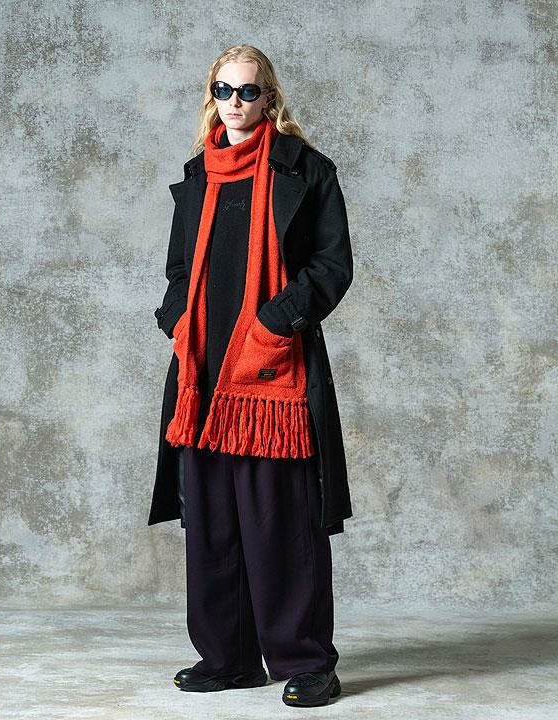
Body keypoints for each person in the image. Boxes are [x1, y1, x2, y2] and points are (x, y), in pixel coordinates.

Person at [149, 44, 353, 708]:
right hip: (203, 374)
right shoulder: (198, 176)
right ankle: (229, 658)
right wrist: (179, 322)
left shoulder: (306, 170)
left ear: (270, 98)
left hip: (271, 371)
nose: (235, 102)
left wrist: (273, 324)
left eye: (248, 91)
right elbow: (179, 271)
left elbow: (332, 265)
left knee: (280, 523)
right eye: (224, 89)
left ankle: (306, 661)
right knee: (212, 524)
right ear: (211, 95)